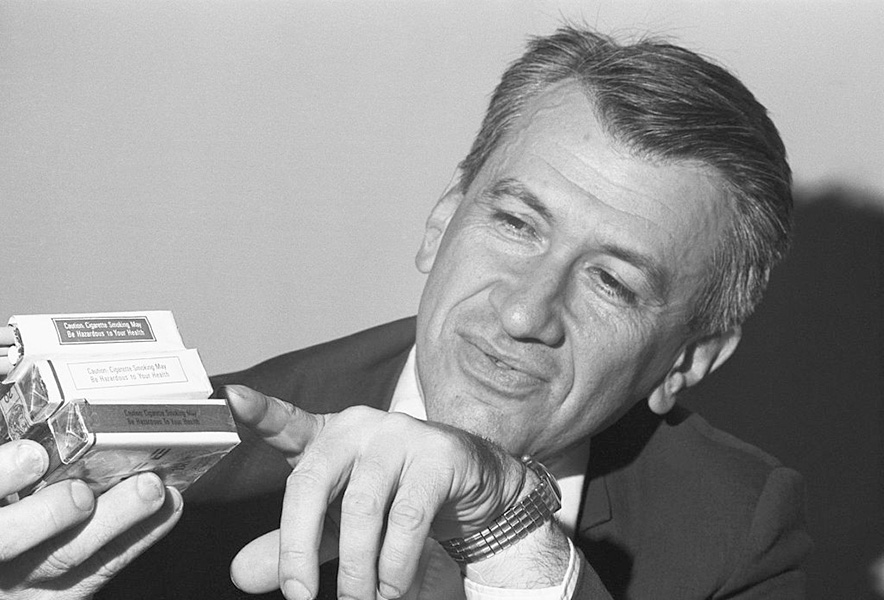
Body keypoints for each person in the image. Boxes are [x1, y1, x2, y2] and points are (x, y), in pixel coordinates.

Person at [1, 24, 811, 600]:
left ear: (689, 361)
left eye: (613, 283)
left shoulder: (737, 528)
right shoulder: (174, 476)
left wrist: (515, 546)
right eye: (517, 224)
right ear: (440, 224)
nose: (527, 312)